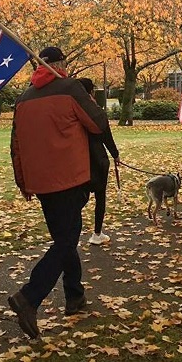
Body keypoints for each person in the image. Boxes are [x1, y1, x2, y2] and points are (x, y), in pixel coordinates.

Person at [9, 46, 110, 338]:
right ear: (62, 63)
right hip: (69, 180)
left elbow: (15, 145)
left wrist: (23, 182)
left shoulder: (23, 98)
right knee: (67, 240)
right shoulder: (71, 88)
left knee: (63, 238)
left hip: (40, 183)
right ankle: (30, 296)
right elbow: (98, 123)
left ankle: (75, 296)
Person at [77, 77, 120, 245]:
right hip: (97, 159)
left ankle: (70, 230)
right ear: (92, 92)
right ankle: (97, 233)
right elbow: (106, 136)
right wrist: (115, 154)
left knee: (80, 198)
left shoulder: (72, 110)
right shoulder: (95, 111)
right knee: (100, 197)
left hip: (79, 160)